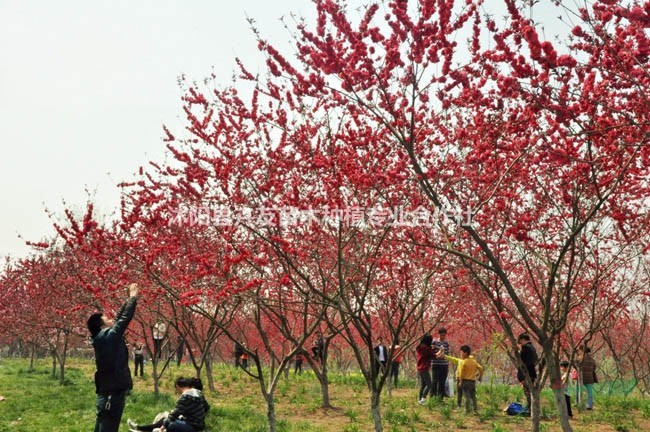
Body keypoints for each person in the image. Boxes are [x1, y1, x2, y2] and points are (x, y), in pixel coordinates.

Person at [87, 282, 139, 432]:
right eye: (106, 318)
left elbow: (117, 320)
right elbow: (122, 321)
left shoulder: (102, 337)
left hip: (108, 394)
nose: (110, 318)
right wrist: (133, 297)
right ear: (101, 324)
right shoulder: (107, 337)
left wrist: (127, 299)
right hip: (111, 396)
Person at [128, 376, 210, 432]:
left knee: (170, 423)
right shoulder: (198, 393)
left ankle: (142, 428)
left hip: (192, 426)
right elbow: (206, 408)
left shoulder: (185, 396)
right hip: (199, 425)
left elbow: (174, 415)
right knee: (167, 419)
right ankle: (140, 428)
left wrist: (162, 427)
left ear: (178, 386)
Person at [441, 345, 483, 413]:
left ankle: (465, 409)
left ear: (465, 353)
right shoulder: (473, 361)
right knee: (473, 396)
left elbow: (462, 373)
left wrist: (460, 381)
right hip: (472, 381)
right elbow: (481, 368)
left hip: (464, 380)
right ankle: (475, 409)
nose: (461, 354)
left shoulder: (464, 362)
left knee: (465, 395)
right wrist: (480, 376)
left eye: (461, 353)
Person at [516, 333, 538, 411]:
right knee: (530, 392)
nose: (520, 343)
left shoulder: (525, 348)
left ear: (522, 339)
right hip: (532, 373)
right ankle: (531, 408)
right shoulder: (532, 348)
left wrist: (521, 376)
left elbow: (521, 361)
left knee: (528, 392)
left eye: (520, 341)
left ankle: (530, 409)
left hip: (526, 373)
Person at [416, 334, 436, 405]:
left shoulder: (420, 347)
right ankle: (423, 399)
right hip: (424, 368)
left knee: (423, 385)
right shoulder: (425, 348)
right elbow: (434, 356)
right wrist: (439, 351)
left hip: (420, 368)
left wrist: (431, 348)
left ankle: (420, 400)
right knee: (429, 384)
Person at [431, 327, 450, 398]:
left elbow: (448, 353)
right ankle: (433, 396)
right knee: (434, 381)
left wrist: (447, 362)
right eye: (441, 335)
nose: (443, 337)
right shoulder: (434, 342)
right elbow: (432, 352)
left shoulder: (446, 343)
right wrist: (438, 354)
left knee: (442, 381)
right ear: (438, 334)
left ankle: (440, 397)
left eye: (444, 335)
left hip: (444, 364)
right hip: (435, 364)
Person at [577, 346, 597, 410]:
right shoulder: (592, 359)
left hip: (581, 377)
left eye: (580, 350)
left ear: (583, 351)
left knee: (579, 390)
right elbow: (594, 368)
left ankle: (578, 403)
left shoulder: (580, 358)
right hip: (590, 378)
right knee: (590, 392)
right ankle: (589, 405)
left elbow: (576, 366)